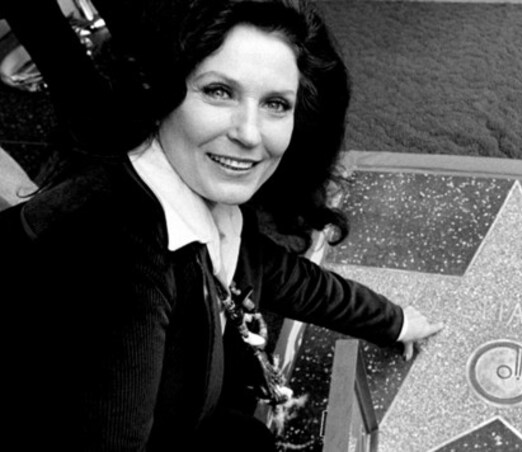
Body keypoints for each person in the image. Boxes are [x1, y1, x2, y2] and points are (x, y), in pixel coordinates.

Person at [0, 0, 443, 450]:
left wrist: (394, 321)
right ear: (162, 91)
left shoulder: (190, 182)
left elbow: (277, 273)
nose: (250, 134)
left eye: (275, 103)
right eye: (218, 91)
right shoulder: (116, 259)